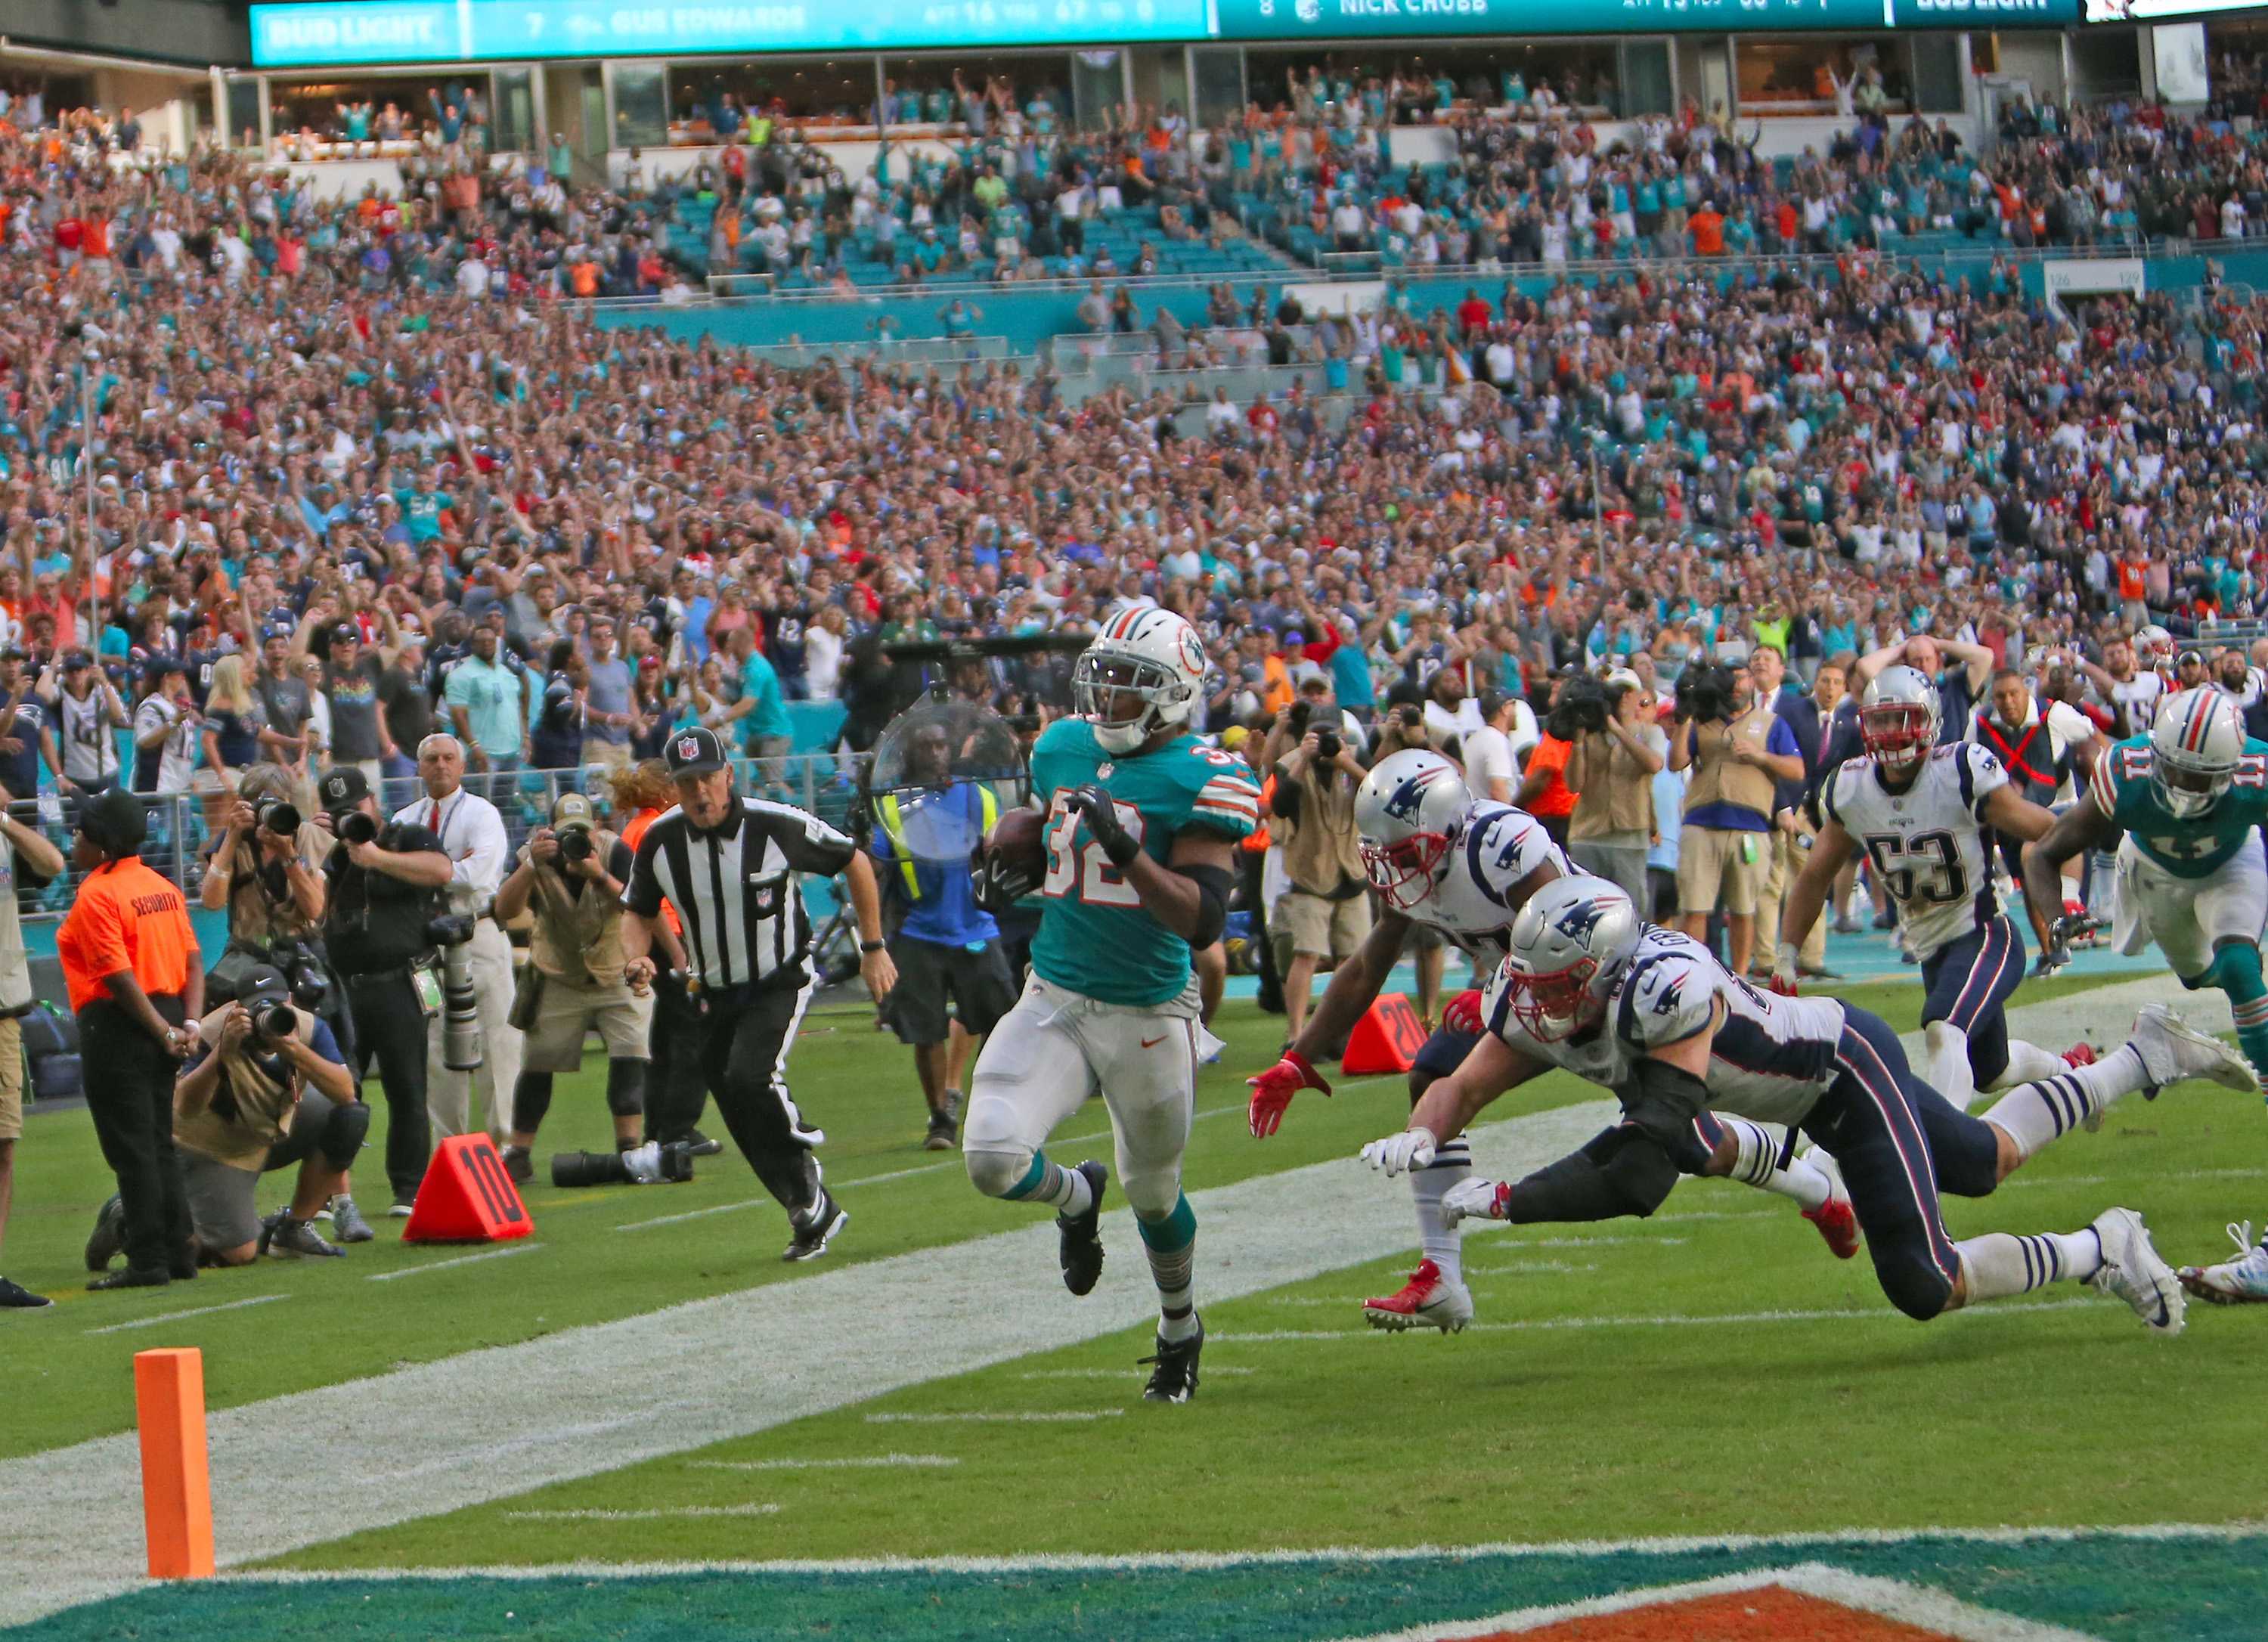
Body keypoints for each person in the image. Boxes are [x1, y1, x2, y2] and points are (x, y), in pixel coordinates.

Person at [1365, 875, 2256, 1337]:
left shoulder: (1666, 994)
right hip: (1801, 1090)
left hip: (1841, 1075)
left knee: (1920, 1280)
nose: (1543, 1007)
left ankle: (2103, 1245)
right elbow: (1463, 1083)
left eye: (1562, 987)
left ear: (1604, 971)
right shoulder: (1548, 994)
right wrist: (1421, 1132)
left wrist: (1517, 1199)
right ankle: (2143, 1056)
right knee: (1986, 1159)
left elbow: (1642, 1172)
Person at [964, 607, 1260, 1402]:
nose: (1109, 699)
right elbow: (1049, 848)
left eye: (1132, 685)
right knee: (991, 1155)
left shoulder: (1205, 773)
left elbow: (1201, 919)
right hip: (1055, 993)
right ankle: (1076, 1195)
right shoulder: (1062, 746)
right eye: (1104, 678)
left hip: (1149, 1014)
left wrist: (1126, 850)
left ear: (1175, 694)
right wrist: (1009, 866)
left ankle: (1179, 1328)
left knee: (1156, 1193)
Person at [1247, 747, 1582, 1334]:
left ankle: (1802, 1175)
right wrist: (1299, 1058)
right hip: (1530, 996)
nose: (1396, 869)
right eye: (1386, 854)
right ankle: (1443, 1275)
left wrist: (1494, 992)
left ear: (1449, 827)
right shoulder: (1414, 861)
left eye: (1406, 852)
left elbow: (1562, 929)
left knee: (1687, 1112)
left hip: (1598, 984)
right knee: (1431, 1075)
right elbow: (1371, 959)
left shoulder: (1503, 843)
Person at [621, 726, 894, 1261]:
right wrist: (634, 956)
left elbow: (854, 860)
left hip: (779, 978)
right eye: (686, 782)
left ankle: (803, 1161)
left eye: (708, 778)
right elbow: (637, 908)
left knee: (750, 1074)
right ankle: (807, 1208)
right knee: (731, 1097)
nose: (700, 793)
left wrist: (874, 946)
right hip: (715, 988)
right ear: (672, 788)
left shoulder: (776, 825)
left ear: (729, 775)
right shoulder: (660, 840)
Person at [1780, 667, 2078, 1111]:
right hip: (1930, 945)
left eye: (1903, 719)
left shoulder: (1959, 770)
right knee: (1991, 1070)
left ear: (1931, 721)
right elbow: (1814, 876)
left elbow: (2055, 832)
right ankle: (2072, 1074)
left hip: (1984, 933)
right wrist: (1786, 956)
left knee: (1944, 1028)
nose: (1892, 733)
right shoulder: (1853, 787)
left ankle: (1938, 1149)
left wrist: (2069, 894)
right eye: (1881, 721)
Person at [2025, 688, 2268, 1085]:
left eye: (2199, 777)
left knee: (2240, 967)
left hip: (2232, 862)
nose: (2183, 786)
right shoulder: (2124, 771)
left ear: (2231, 767)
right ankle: (2205, 1005)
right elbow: (2043, 854)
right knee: (2195, 976)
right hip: (2154, 868)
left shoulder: (2258, 772)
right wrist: (2056, 918)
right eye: (2174, 769)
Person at [60, 789, 203, 1291]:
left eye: (79, 832)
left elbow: (117, 976)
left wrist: (160, 1030)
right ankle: (180, 1249)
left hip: (118, 1022)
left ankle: (146, 1259)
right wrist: (187, 1024)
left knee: (131, 1148)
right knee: (159, 1142)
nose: (72, 840)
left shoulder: (97, 893)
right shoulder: (162, 885)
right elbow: (192, 960)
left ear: (102, 843)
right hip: (165, 1012)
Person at [871, 719, 1018, 1151]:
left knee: (1004, 1023)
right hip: (920, 930)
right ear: (912, 755)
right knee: (926, 1032)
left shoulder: (978, 796)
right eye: (927, 746)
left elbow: (1002, 845)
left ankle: (999, 1107)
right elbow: (877, 866)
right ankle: (940, 1118)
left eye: (941, 745)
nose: (936, 753)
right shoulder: (895, 806)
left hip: (976, 925)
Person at [316, 766, 454, 1214]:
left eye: (355, 809)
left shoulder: (407, 837)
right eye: (340, 814)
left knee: (407, 1088)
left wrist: (376, 857)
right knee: (340, 1092)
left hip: (399, 980)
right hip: (347, 986)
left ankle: (408, 1189)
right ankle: (329, 1190)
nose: (350, 820)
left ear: (372, 802)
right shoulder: (335, 857)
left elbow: (440, 870)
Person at [492, 792, 649, 1181]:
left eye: (580, 832)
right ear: (550, 832)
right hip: (558, 971)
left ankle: (629, 1147)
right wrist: (531, 864)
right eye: (565, 834)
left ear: (596, 828)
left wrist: (598, 874)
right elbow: (504, 911)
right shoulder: (534, 858)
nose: (573, 842)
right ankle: (520, 1151)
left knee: (631, 1053)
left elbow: (638, 903)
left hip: (615, 968)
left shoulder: (615, 852)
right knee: (539, 1061)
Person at [163, 965, 364, 1265]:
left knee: (350, 1116)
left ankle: (294, 1228)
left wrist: (295, 1050)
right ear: (237, 1008)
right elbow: (186, 1108)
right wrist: (223, 1053)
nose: (268, 1016)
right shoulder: (213, 1032)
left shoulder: (305, 1026)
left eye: (277, 1004)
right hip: (215, 1147)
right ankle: (145, 1212)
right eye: (258, 1007)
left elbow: (346, 1093)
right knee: (239, 1254)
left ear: (290, 1000)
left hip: (267, 1128)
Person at [394, 733, 523, 1150]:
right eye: (431, 758)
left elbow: (480, 875)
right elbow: (392, 877)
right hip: (424, 944)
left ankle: (504, 1146)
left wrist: (422, 869)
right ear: (419, 767)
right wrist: (445, 866)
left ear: (463, 766)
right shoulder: (403, 820)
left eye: (449, 758)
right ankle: (451, 1148)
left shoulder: (482, 814)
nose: (441, 765)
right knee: (434, 1043)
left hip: (477, 932)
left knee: (497, 1038)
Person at [1668, 663, 1804, 979]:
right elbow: (1675, 762)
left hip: (1750, 827)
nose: (1736, 685)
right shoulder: (1702, 721)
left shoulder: (1771, 723)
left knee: (1744, 909)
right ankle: (1693, 972)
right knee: (1695, 906)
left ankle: (1739, 976)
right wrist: (1686, 716)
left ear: (1753, 683)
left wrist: (1761, 756)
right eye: (1730, 679)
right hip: (1702, 822)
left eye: (1741, 677)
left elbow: (1797, 770)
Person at [1269, 709, 1372, 1046]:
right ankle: (1296, 1034)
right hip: (1310, 872)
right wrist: (1304, 760)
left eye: (1333, 736)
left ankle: (1345, 1031)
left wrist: (1344, 762)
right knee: (1307, 953)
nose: (1327, 743)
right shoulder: (1291, 762)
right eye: (1319, 736)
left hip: (1352, 870)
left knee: (1354, 957)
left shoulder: (1354, 759)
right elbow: (1281, 805)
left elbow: (1378, 793)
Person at [0, 788, 63, 1306]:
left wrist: (4, 818)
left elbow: (52, 863)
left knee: (3, 1145)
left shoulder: (4, 838)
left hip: (3, 1009)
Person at [1566, 671, 1662, 906]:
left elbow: (1654, 764)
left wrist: (1618, 730)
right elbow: (1574, 784)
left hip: (1630, 835)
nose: (1623, 698)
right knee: (1585, 909)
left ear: (1637, 696)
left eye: (1628, 692)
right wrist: (1578, 743)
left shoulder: (1649, 732)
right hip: (1588, 833)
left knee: (1631, 909)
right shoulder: (1590, 735)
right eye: (1618, 693)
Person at [443, 622, 528, 775]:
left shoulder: (505, 671)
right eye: (482, 642)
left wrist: (526, 735)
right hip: (483, 752)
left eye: (491, 641)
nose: (487, 645)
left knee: (505, 798)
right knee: (480, 798)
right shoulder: (461, 675)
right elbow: (458, 714)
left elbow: (517, 705)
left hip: (511, 749)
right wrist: (474, 745)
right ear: (473, 645)